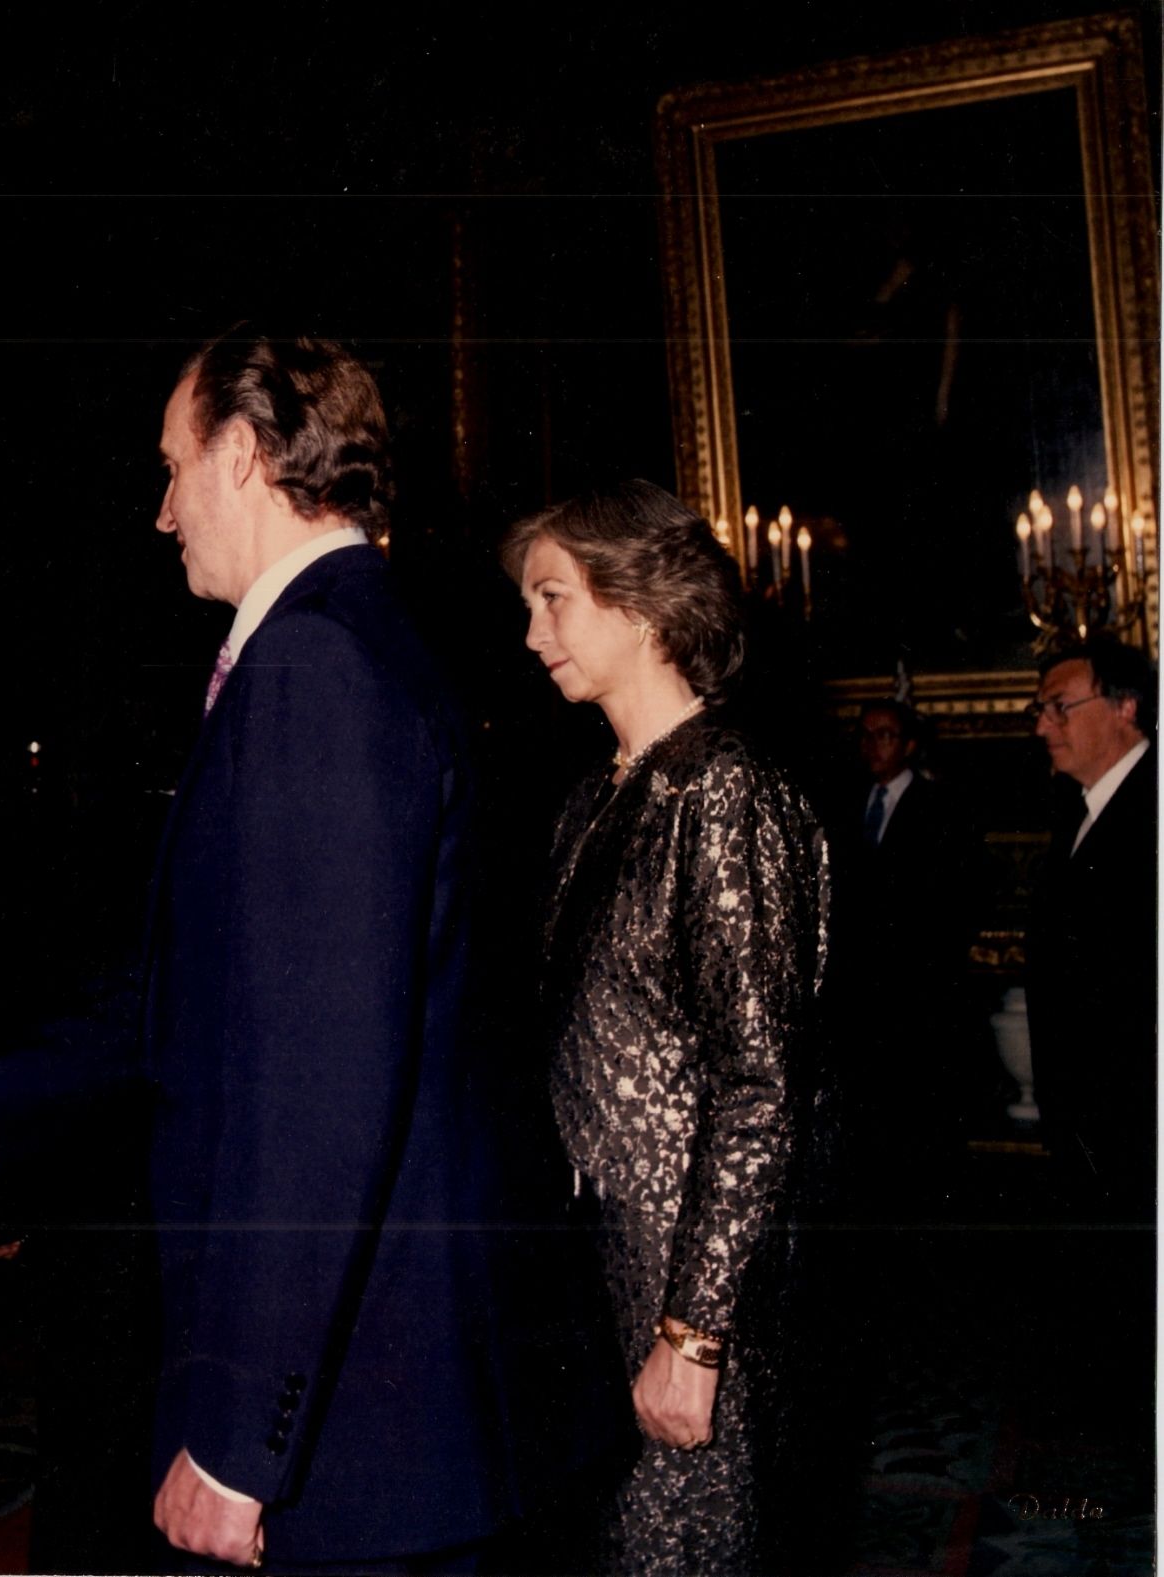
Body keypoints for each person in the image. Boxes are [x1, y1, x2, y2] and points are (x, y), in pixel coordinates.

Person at [0, 330, 627, 1573]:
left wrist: (246, 1440)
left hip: (359, 1415)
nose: (160, 512)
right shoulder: (339, 639)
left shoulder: (313, 662)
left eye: (171, 466)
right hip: (383, 1392)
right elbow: (186, 997)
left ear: (242, 453)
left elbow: (321, 1089)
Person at [503, 479, 833, 1576]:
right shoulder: (595, 799)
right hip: (595, 1278)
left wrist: (693, 1333)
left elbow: (761, 1087)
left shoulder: (724, 794)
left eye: (552, 597)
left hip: (687, 1296)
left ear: (641, 605)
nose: (531, 631)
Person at [1025, 638, 1157, 1219]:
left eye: (1060, 707)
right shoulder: (1081, 811)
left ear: (1125, 706)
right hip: (1090, 1125)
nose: (1042, 726)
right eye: (1040, 710)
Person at [843, 698, 979, 1209]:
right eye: (864, 734)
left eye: (884, 735)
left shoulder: (941, 807)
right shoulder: (845, 804)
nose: (871, 745)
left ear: (909, 745)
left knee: (917, 1126)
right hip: (861, 996)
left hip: (918, 996)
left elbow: (958, 899)